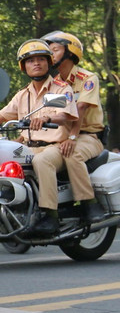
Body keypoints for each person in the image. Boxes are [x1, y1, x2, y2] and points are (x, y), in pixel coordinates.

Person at [0, 39, 79, 236]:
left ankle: (49, 215)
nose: (36, 63)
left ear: (48, 62)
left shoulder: (61, 89)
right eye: (30, 61)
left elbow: (64, 115)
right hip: (28, 146)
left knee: (41, 160)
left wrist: (46, 117)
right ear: (24, 66)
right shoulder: (22, 95)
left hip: (54, 147)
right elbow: (2, 116)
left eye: (40, 59)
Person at [42, 30, 106, 222]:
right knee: (37, 159)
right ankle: (48, 211)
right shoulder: (55, 85)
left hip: (88, 136)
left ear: (70, 52)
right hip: (63, 136)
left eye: (55, 50)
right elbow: (52, 116)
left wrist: (72, 137)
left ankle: (89, 202)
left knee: (72, 153)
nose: (50, 55)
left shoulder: (88, 79)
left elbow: (80, 108)